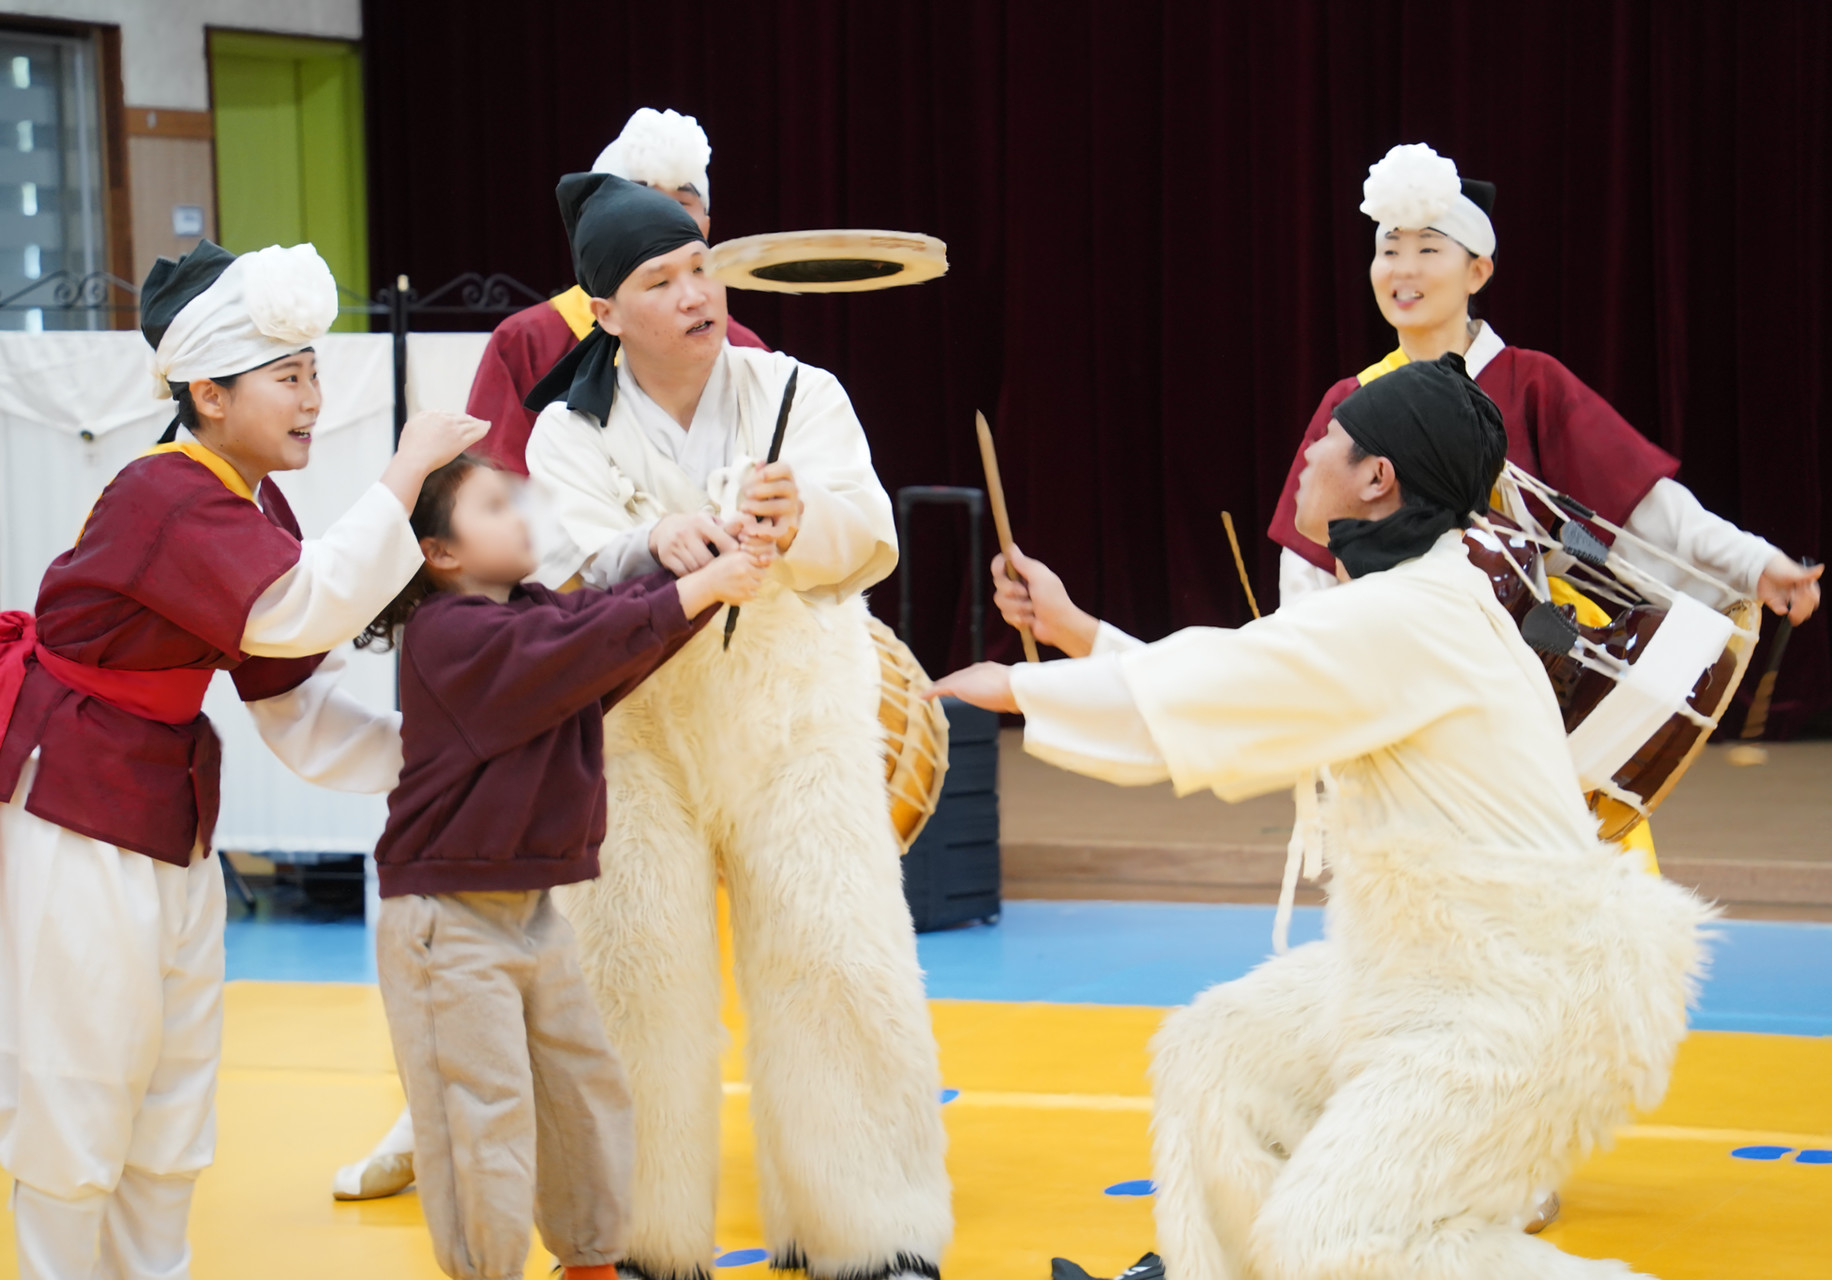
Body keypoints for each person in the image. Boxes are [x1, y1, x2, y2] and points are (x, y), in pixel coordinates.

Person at [935, 356, 1709, 1280]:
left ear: (1377, 478)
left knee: (1344, 1242)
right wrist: (1080, 636)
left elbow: (1233, 686)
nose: (1306, 457)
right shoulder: (1418, 595)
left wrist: (1015, 685)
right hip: (1442, 974)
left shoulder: (1410, 613)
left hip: (1525, 1003)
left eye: (1329, 442)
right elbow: (1253, 686)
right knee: (1218, 1054)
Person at [0, 239, 486, 1280]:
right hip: (70, 821)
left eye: (315, 370)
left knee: (171, 1099)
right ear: (208, 393)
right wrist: (407, 472)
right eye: (288, 377)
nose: (314, 397)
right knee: (78, 1092)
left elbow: (294, 699)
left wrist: (436, 760)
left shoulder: (248, 501)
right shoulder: (163, 493)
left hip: (162, 819)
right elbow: (299, 608)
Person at [522, 172, 951, 1280]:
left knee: (840, 957)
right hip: (635, 725)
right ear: (607, 312)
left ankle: (873, 1233)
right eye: (660, 280)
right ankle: (642, 1239)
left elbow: (869, 532)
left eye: (700, 266)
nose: (695, 293)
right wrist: (651, 538)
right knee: (629, 978)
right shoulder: (564, 432)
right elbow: (563, 563)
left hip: (797, 712)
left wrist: (804, 519)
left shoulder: (799, 388)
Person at [357, 453, 769, 1280]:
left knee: (587, 1097)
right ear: (439, 553)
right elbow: (581, 642)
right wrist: (704, 586)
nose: (521, 514)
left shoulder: (535, 618)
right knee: (484, 1119)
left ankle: (590, 1262)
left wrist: (706, 567)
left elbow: (610, 631)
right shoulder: (449, 635)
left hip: (532, 915)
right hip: (447, 922)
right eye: (493, 506)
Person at [1267, 143, 1820, 628]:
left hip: (1521, 646)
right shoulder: (1350, 401)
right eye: (1389, 250)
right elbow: (1309, 557)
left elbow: (1646, 512)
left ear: (1478, 272)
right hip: (1392, 645)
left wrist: (1751, 563)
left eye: (1429, 250)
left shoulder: (1531, 383)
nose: (1403, 270)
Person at [465, 107, 770, 474]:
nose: (662, 220)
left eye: (681, 205)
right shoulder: (526, 342)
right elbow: (493, 489)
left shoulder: (747, 353)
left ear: (705, 226)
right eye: (642, 202)